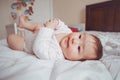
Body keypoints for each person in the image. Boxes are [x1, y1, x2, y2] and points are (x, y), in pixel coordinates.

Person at [7, 15, 103, 61]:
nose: (75, 40)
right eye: (80, 36)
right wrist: (56, 22)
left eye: (78, 48)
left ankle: (15, 36)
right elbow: (62, 26)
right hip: (39, 32)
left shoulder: (57, 55)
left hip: (27, 43)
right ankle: (24, 24)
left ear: (76, 60)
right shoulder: (68, 32)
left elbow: (39, 48)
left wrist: (48, 29)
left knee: (11, 39)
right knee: (40, 26)